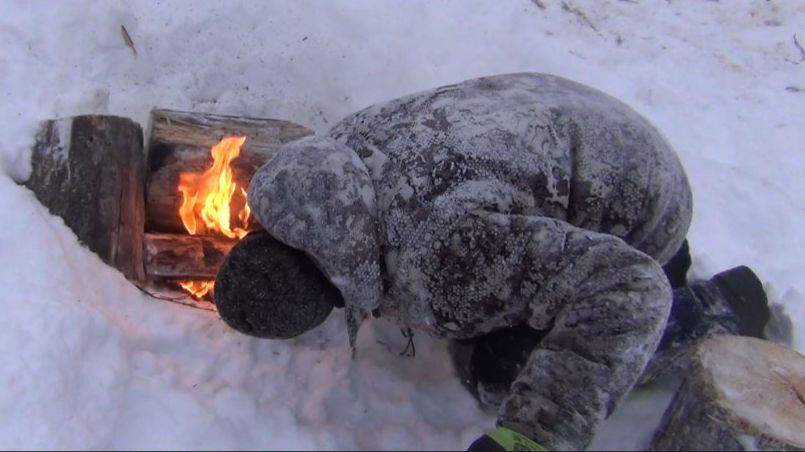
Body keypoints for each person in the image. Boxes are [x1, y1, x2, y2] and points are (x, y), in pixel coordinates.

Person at [213, 73, 770, 451]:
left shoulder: (444, 253)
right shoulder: (330, 159)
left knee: (497, 373)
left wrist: (532, 441)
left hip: (646, 208)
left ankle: (713, 311)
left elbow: (628, 288)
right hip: (590, 121)